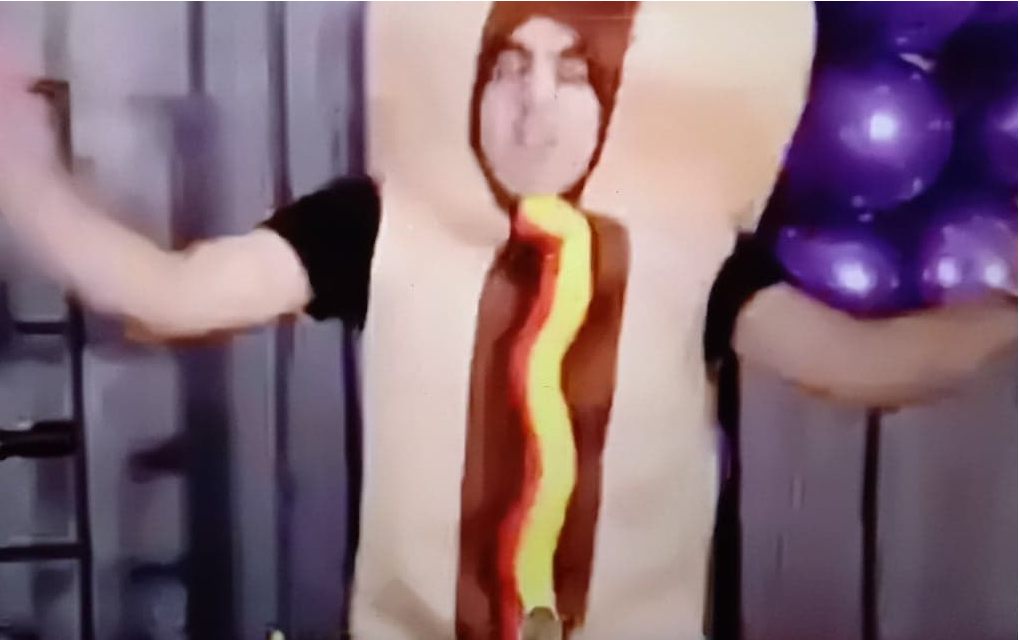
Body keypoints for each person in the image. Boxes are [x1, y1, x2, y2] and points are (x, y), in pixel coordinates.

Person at [0, 3, 1015, 640]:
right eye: (507, 64)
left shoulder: (695, 252)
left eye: (572, 70)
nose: (533, 105)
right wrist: (18, 163)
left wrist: (1004, 316)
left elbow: (860, 363)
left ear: (616, 88)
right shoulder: (378, 222)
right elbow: (169, 293)